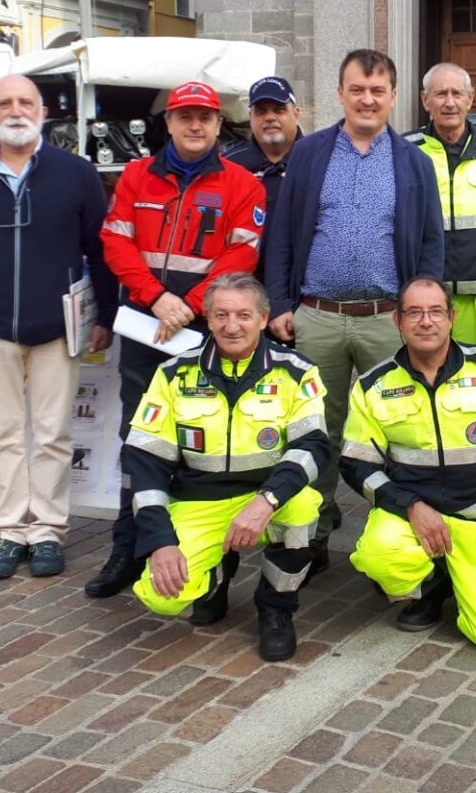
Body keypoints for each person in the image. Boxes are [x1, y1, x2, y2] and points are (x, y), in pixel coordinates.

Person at [0, 74, 118, 580]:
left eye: (25, 102)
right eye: (4, 103)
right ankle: (10, 530)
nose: (16, 110)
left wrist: (108, 316)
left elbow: (101, 250)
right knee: (2, 433)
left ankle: (49, 530)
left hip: (57, 326)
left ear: (41, 112)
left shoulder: (74, 172)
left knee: (53, 433)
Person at [263, 49, 444, 573]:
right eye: (357, 89)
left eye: (378, 90)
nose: (367, 99)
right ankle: (312, 535)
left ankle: (400, 536)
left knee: (399, 431)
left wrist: (420, 315)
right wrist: (279, 303)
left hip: (388, 320)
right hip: (316, 316)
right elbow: (281, 237)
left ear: (393, 97)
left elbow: (431, 243)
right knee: (317, 430)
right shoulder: (310, 154)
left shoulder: (413, 162)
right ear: (340, 94)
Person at [87, 81, 267, 599]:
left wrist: (194, 305)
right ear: (167, 122)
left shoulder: (242, 184)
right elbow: (115, 243)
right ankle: (128, 546)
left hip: (209, 331)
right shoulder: (136, 177)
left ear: (218, 125)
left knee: (201, 437)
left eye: (205, 118)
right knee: (140, 437)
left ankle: (195, 551)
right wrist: (155, 298)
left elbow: (241, 256)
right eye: (185, 116)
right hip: (148, 329)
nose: (195, 125)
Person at [124, 273, 329, 661]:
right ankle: (215, 579)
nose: (231, 326)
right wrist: (161, 541)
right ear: (208, 317)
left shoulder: (297, 371)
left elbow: (312, 447)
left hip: (269, 496)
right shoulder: (173, 373)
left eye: (243, 315)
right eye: (221, 315)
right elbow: (145, 459)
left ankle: (276, 608)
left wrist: (266, 501)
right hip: (199, 500)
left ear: (264, 318)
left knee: (303, 508)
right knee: (163, 597)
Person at [341, 277, 476, 651]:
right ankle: (431, 588)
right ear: (397, 322)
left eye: (435, 311)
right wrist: (410, 506)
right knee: (378, 554)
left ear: (451, 318)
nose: (425, 321)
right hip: (415, 517)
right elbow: (356, 464)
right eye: (414, 312)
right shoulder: (373, 385)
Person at [406, 63, 476, 344]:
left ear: (471, 98)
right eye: (441, 94)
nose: (450, 102)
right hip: (425, 305)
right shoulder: (404, 152)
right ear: (425, 100)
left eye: (457, 93)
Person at [225, 75, 302, 277]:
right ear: (250, 117)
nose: (270, 117)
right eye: (261, 111)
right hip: (243, 286)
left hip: (301, 288)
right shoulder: (229, 166)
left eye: (279, 110)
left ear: (296, 114)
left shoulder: (319, 161)